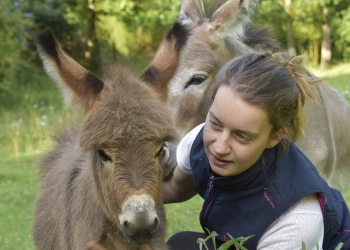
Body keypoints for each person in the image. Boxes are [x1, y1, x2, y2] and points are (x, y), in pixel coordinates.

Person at [87, 53, 350, 250]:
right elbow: (175, 188)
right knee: (182, 245)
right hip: (238, 241)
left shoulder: (297, 220)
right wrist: (117, 193)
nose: (219, 147)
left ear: (274, 137)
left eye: (241, 136)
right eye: (215, 123)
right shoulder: (201, 140)